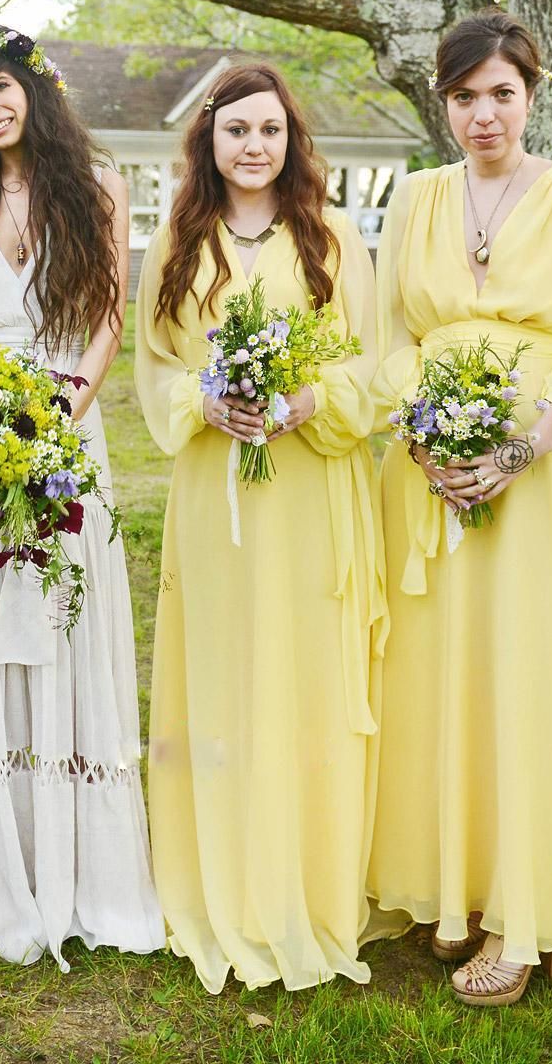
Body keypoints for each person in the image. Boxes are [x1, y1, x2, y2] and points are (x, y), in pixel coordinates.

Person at [365, 8, 552, 1005]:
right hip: (429, 468)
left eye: (502, 94)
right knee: (444, 670)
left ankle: (526, 913)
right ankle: (456, 888)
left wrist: (522, 447)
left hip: (541, 471)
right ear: (443, 102)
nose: (484, 114)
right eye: (464, 96)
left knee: (528, 672)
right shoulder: (415, 196)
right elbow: (389, 335)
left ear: (532, 93)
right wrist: (424, 433)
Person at [0, 25, 163, 967]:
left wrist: (56, 416)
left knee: (60, 623)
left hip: (63, 427)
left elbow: (107, 322)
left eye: (0, 88)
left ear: (36, 90)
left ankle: (76, 860)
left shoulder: (98, 188)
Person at [135, 62, 382, 993]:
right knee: (226, 666)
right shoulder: (177, 241)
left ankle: (305, 878)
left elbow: (368, 360)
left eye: (270, 130)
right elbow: (154, 362)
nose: (254, 146)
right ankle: (221, 872)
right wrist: (206, 401)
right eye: (237, 129)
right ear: (209, 139)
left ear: (291, 139)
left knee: (301, 670)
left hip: (309, 483)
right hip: (216, 487)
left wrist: (307, 398)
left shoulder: (332, 235)